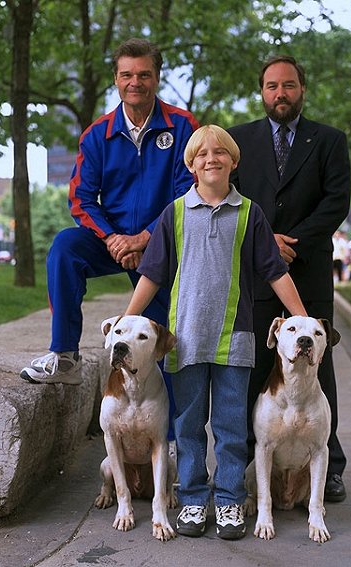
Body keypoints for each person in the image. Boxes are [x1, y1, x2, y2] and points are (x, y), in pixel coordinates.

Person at [124, 125, 307, 540]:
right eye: (202, 154)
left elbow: (275, 272)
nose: (211, 158)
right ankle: (191, 499)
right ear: (190, 165)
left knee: (229, 426)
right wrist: (127, 320)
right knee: (188, 425)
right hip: (183, 339)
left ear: (233, 161)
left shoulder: (249, 214)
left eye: (220, 152)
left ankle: (227, 502)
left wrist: (302, 321)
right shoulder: (173, 213)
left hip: (234, 338)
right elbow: (152, 274)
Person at [19, 35, 199, 430]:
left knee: (159, 341)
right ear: (116, 80)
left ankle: (169, 446)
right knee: (65, 246)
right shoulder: (97, 134)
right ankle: (64, 356)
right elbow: (82, 198)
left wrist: (146, 238)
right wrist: (114, 239)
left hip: (162, 245)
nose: (136, 82)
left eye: (144, 74)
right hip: (112, 242)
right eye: (127, 75)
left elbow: (188, 193)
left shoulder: (183, 126)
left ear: (157, 78)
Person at [228, 54, 351, 503]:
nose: (281, 93)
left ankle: (330, 465)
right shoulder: (239, 140)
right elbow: (233, 199)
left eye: (289, 85)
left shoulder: (330, 141)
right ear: (262, 92)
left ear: (302, 88)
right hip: (258, 275)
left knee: (321, 370)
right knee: (256, 367)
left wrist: (292, 240)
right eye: (272, 86)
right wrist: (263, 242)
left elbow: (336, 202)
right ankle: (240, 466)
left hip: (309, 273)